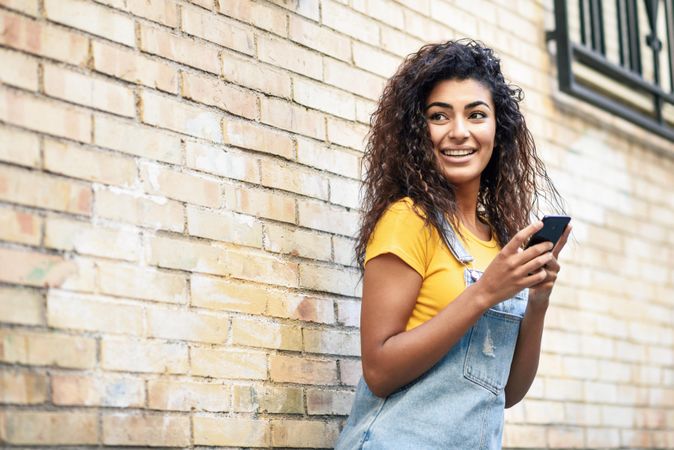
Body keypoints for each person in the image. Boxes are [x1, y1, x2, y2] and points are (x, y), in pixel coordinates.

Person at [334, 40, 572, 449]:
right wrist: (484, 293)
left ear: (499, 130)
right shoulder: (408, 220)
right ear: (417, 131)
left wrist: (538, 301)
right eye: (439, 116)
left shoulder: (498, 241)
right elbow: (379, 369)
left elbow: (507, 392)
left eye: (476, 115)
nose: (458, 131)